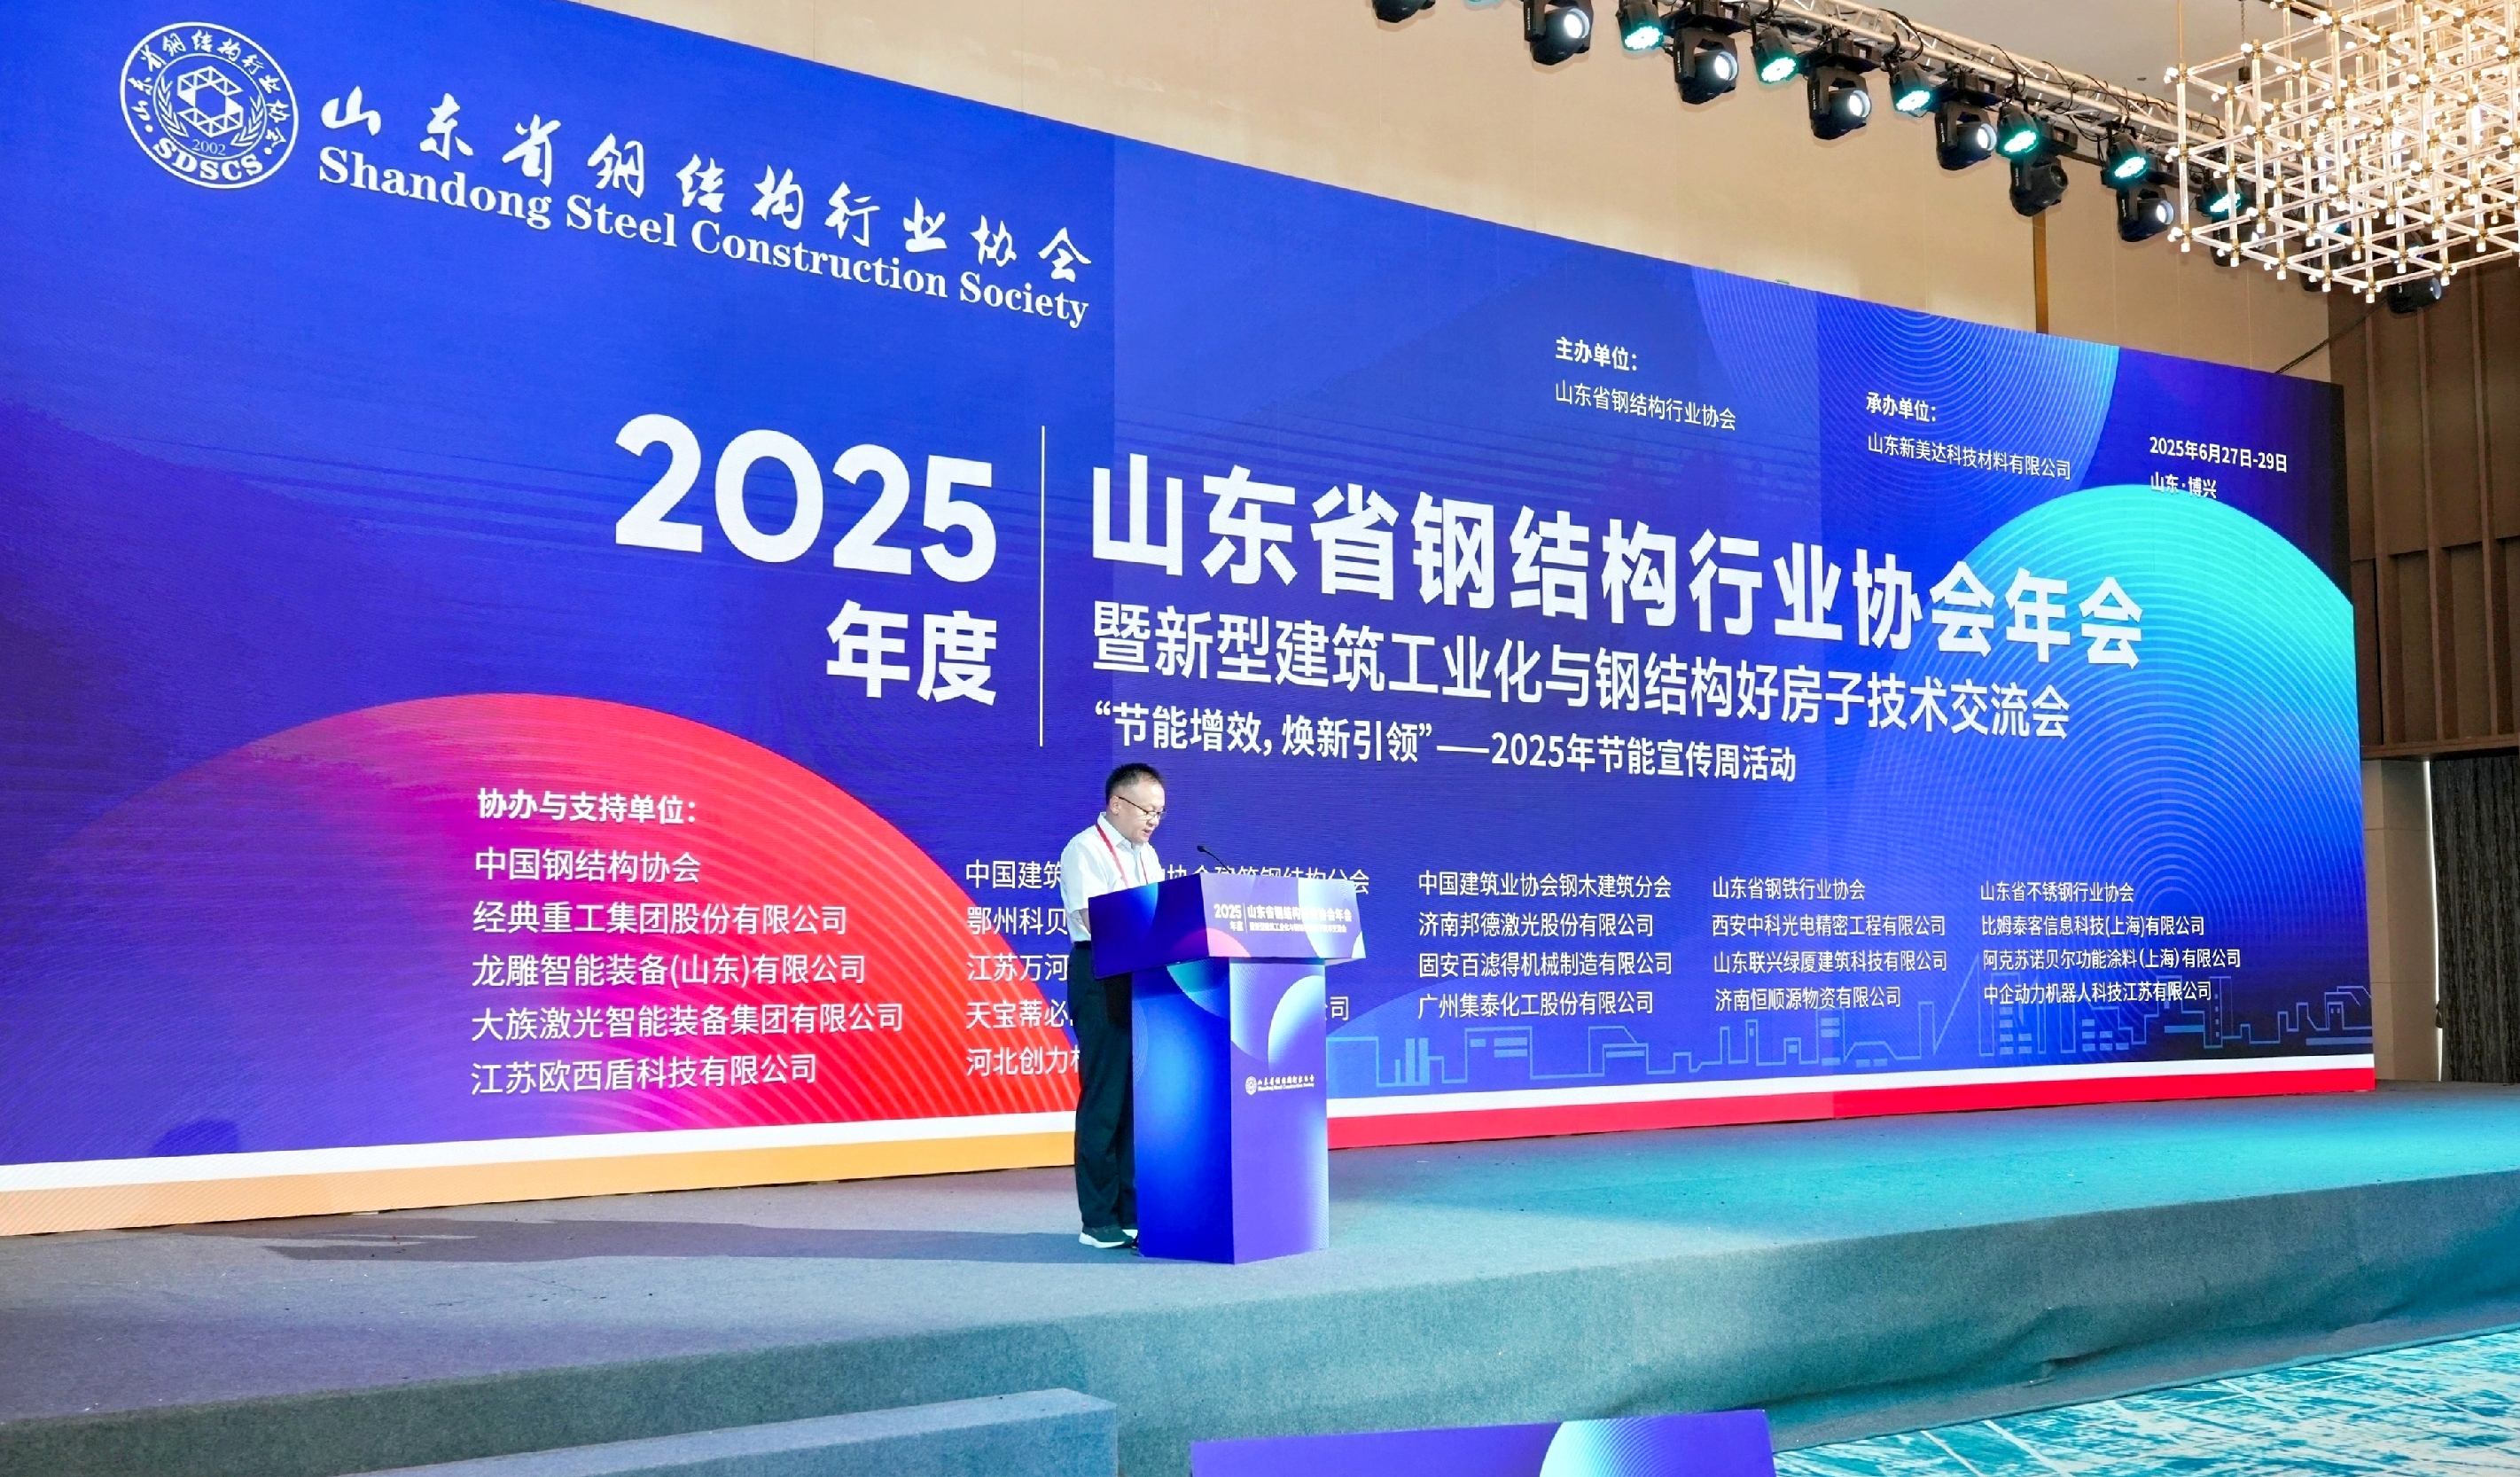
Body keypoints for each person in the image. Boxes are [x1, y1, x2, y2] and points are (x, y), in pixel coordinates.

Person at [1057, 762, 1166, 1250]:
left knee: (1136, 1100)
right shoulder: (1084, 849)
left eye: (1160, 813)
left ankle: (1132, 1211)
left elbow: (1161, 914)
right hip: (1101, 974)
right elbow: (1089, 917)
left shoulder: (1148, 855)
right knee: (1105, 1098)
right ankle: (1098, 1219)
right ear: (1117, 804)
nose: (1153, 821)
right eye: (1147, 810)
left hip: (1142, 977)